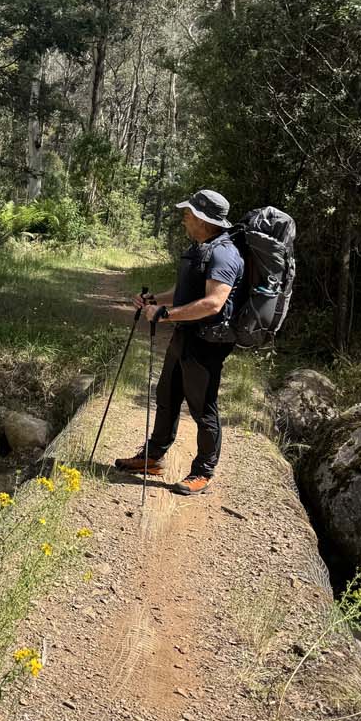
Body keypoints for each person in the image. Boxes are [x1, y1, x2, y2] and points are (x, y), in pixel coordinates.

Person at [116, 189, 244, 495]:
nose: (184, 216)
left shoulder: (224, 253)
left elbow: (213, 303)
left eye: (189, 213)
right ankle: (152, 458)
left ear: (204, 219)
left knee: (203, 408)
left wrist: (164, 315)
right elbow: (184, 292)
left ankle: (203, 471)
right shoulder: (200, 247)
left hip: (206, 343)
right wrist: (156, 300)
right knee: (167, 396)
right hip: (184, 336)